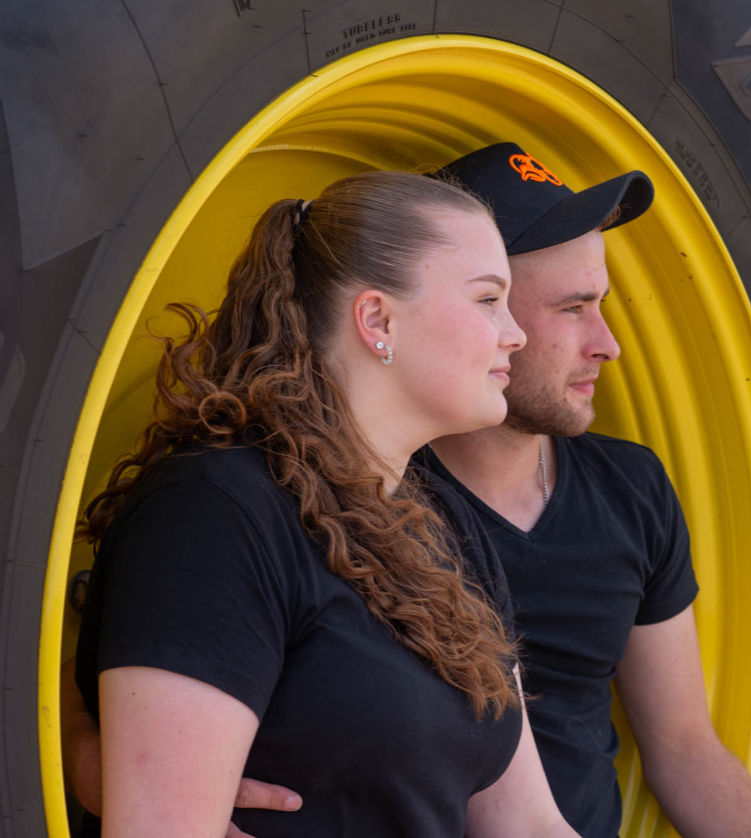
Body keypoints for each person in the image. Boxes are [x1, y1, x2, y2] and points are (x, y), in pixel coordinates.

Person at [70, 171, 575, 837]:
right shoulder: (216, 515)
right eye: (488, 299)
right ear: (377, 320)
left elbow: (529, 826)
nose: (515, 334)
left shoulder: (447, 528)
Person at [415, 143, 751, 837]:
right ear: (483, 312)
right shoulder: (364, 500)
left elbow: (684, 750)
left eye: (603, 305)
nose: (609, 343)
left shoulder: (632, 490)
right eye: (573, 308)